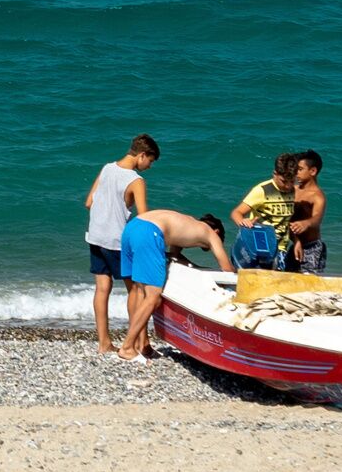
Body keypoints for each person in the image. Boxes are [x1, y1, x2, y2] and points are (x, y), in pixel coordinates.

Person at [114, 206, 232, 362]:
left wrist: (195, 268)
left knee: (137, 291)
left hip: (132, 227)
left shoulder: (187, 223)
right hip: (150, 232)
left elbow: (174, 256)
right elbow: (227, 269)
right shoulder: (211, 234)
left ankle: (143, 345)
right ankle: (127, 348)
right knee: (153, 298)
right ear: (217, 232)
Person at [84, 134, 157, 354]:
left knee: (102, 289)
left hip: (96, 236)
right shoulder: (135, 180)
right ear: (142, 155)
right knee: (137, 291)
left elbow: (89, 202)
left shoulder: (107, 168)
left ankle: (104, 343)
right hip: (116, 241)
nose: (149, 167)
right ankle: (137, 344)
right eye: (150, 161)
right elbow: (144, 218)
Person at [229, 156, 302, 270]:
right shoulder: (262, 190)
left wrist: (297, 241)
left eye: (292, 181)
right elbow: (236, 213)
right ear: (275, 174)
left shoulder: (293, 192)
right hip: (261, 247)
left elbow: (285, 223)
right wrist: (243, 222)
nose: (288, 186)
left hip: (281, 249)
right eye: (284, 181)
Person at [285, 151, 329, 274]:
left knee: (309, 284)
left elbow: (317, 219)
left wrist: (306, 223)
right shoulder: (292, 190)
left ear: (313, 171)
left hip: (312, 247)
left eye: (299, 169)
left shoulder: (317, 196)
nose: (296, 173)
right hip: (294, 244)